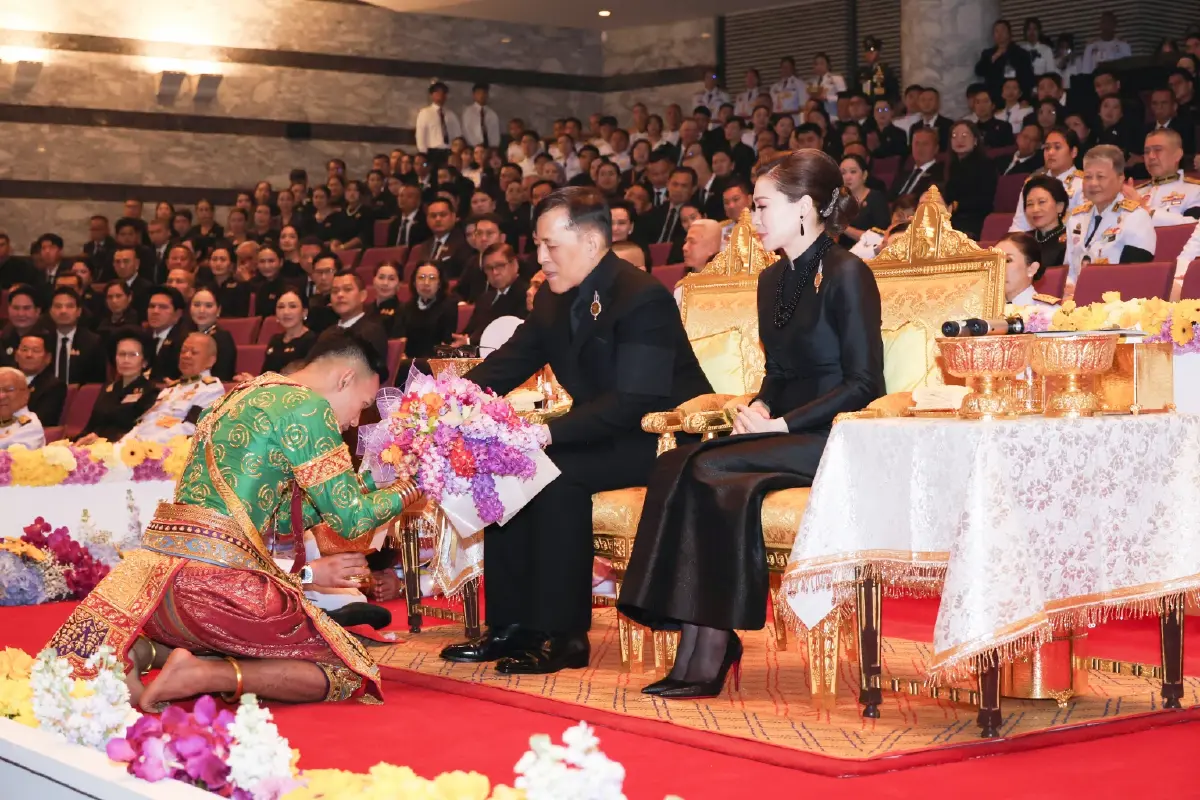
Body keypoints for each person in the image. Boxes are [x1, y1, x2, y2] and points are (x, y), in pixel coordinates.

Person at [619, 149, 884, 699]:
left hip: (835, 438)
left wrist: (783, 423)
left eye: (763, 207)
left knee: (708, 468)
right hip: (785, 431)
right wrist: (761, 407)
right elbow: (780, 372)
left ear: (806, 207)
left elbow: (864, 384)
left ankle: (710, 641)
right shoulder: (772, 281)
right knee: (676, 462)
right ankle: (699, 635)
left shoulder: (847, 273)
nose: (754, 219)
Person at [47, 330, 421, 711]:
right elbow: (352, 521)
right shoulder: (308, 408)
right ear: (345, 378)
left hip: (156, 592)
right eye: (362, 404)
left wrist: (375, 480)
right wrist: (415, 485)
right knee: (345, 668)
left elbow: (283, 522)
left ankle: (139, 652)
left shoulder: (232, 398)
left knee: (244, 641)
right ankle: (202, 676)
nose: (355, 419)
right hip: (220, 592)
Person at [439, 186, 712, 675]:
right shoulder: (554, 294)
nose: (540, 258)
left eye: (550, 246)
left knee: (554, 474)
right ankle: (511, 626)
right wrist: (446, 399)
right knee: (513, 466)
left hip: (663, 437)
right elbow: (510, 362)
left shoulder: (641, 296)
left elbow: (635, 401)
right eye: (538, 246)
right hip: (602, 429)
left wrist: (547, 434)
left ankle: (562, 634)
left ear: (590, 243)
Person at [1065, 145, 1156, 282]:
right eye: (1088, 177)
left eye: (1100, 177)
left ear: (1120, 179)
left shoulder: (1136, 217)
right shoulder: (1076, 218)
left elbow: (1134, 277)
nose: (1093, 183)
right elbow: (1069, 271)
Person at [120, 333, 226, 444]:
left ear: (210, 361)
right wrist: (123, 443)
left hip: (167, 451)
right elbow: (146, 422)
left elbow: (191, 429)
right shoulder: (171, 388)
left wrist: (147, 444)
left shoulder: (211, 389)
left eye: (194, 352)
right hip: (141, 449)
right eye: (183, 351)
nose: (186, 356)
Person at [76, 329, 159, 444]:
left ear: (144, 361)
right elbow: (92, 426)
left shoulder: (151, 391)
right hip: (93, 447)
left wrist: (102, 441)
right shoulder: (109, 388)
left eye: (132, 355)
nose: (125, 360)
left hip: (124, 450)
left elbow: (140, 431)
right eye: (121, 354)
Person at [453, 243, 530, 348]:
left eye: (500, 265)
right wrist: (458, 340)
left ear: (515, 265)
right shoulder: (485, 298)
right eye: (489, 268)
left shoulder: (527, 295)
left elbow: (510, 335)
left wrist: (469, 342)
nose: (495, 272)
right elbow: (469, 332)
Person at [1010, 127, 1085, 231]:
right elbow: (1019, 226)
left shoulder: (1083, 184)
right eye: (1047, 148)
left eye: (1057, 147)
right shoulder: (1032, 183)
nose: (1050, 153)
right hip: (1034, 243)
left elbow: (1081, 227)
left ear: (1073, 152)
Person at [1129, 128, 1200, 226]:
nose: (1151, 156)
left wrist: (1147, 212)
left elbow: (1194, 226)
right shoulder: (1134, 193)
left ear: (1178, 155)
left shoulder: (1195, 191)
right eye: (1146, 152)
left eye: (1158, 150)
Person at [327, 273, 389, 380]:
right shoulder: (327, 333)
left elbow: (369, 374)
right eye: (335, 291)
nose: (340, 295)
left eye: (347, 289)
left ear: (363, 296)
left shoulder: (372, 331)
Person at [943, 121, 999, 239]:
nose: (959, 140)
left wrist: (955, 205)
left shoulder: (986, 165)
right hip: (952, 219)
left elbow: (984, 200)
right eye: (954, 136)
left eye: (964, 135)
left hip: (975, 221)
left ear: (975, 140)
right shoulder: (952, 166)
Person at [48, 287, 106, 385]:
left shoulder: (93, 342)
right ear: (50, 311)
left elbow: (97, 382)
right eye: (58, 306)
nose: (63, 311)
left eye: (69, 306)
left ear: (79, 311)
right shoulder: (43, 341)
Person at [257, 289, 317, 377]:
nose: (286, 312)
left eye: (292, 306)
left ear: (304, 312)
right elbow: (265, 375)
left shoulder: (312, 341)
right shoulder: (275, 340)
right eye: (281, 307)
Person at [975, 19, 1035, 102]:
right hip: (994, 97)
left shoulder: (1021, 53)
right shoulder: (988, 53)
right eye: (996, 31)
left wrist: (1025, 98)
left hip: (1015, 97)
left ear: (1010, 33)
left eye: (1003, 30)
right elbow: (979, 71)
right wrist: (993, 59)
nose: (1000, 34)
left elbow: (1028, 78)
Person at [998, 232, 1060, 308]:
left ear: (1032, 269)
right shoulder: (982, 310)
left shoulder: (1049, 313)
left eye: (1008, 260)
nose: (998, 266)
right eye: (994, 260)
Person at [1020, 175, 1070, 267]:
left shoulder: (1071, 242)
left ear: (1060, 206)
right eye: (1030, 204)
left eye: (1042, 202)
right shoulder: (1022, 241)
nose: (1035, 209)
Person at [839, 155, 889, 243]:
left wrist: (844, 228)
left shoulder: (876, 199)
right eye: (843, 173)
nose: (847, 177)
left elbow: (879, 238)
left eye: (853, 172)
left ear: (864, 175)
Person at [146, 286, 192, 384]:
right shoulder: (143, 336)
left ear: (178, 314)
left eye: (163, 307)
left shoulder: (185, 341)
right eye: (152, 306)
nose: (155, 311)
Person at [189, 289, 236, 381]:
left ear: (218, 310)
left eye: (208, 306)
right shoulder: (183, 335)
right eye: (197, 305)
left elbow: (222, 376)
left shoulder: (223, 339)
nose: (201, 310)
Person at [200, 243, 252, 318]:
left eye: (223, 260)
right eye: (214, 259)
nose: (218, 264)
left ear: (231, 265)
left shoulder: (240, 287)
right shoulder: (205, 288)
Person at [0, 366, 45, 450]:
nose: (1, 396)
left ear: (26, 395)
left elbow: (10, 459)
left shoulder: (30, 426)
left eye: (9, 390)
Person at [368, 262, 405, 338]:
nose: (385, 283)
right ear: (373, 281)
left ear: (399, 284)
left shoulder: (405, 311)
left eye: (391, 279)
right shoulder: (363, 310)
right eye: (381, 277)